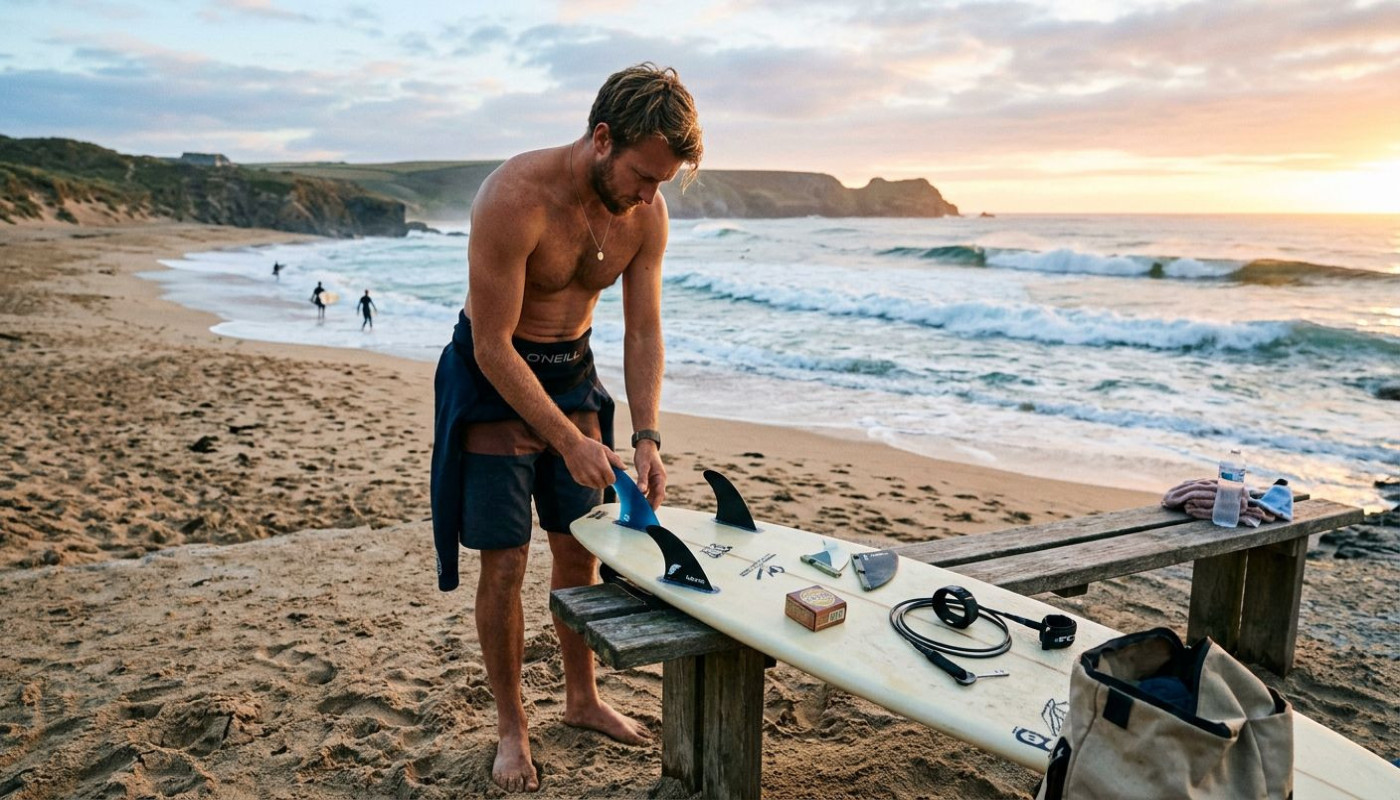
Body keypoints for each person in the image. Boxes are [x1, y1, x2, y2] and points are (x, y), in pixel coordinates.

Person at [430, 63, 702, 793]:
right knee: (507, 560)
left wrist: (645, 436)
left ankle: (581, 700)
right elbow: (491, 346)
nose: (650, 195)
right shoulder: (515, 198)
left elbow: (642, 330)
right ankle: (512, 728)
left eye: (663, 184)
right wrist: (566, 439)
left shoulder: (647, 213)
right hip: (495, 376)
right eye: (643, 175)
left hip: (573, 372)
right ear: (602, 139)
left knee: (578, 549)